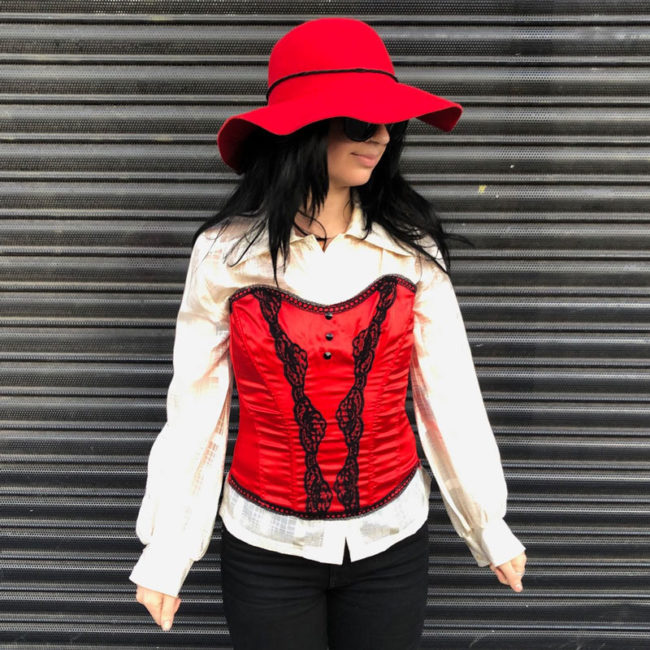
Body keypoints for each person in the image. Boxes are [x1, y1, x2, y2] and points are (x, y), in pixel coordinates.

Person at [130, 17, 527, 650]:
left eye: (388, 122)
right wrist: (168, 551)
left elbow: (448, 394)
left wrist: (487, 524)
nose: (380, 137)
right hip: (265, 546)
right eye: (360, 120)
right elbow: (196, 409)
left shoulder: (409, 252)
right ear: (302, 128)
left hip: (391, 542)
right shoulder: (225, 255)